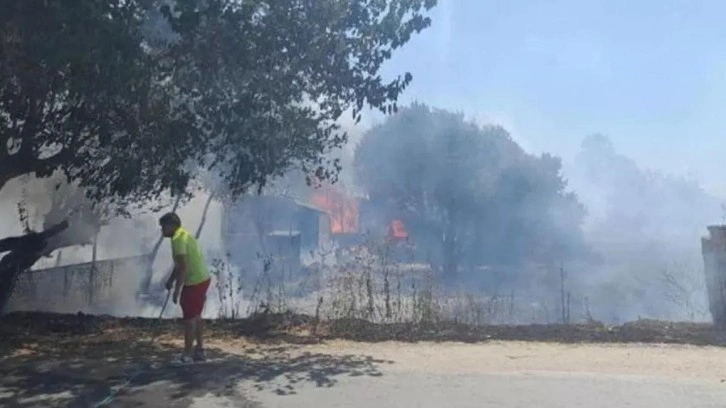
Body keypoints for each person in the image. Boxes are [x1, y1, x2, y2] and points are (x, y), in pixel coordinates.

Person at [159, 212, 211, 364]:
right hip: (203, 279)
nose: (162, 230)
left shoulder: (177, 239)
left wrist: (177, 290)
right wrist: (170, 280)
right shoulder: (183, 235)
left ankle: (187, 354)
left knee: (189, 320)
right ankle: (200, 351)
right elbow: (180, 264)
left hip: (194, 281)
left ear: (171, 226)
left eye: (163, 227)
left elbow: (183, 267)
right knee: (196, 316)